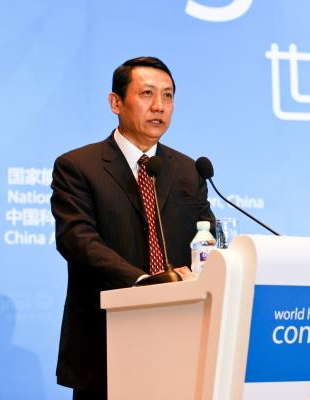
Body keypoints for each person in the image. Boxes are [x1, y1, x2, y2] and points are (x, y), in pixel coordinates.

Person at [50, 56, 215, 399]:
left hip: (181, 338)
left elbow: (207, 238)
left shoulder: (189, 171)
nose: (159, 106)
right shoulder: (78, 166)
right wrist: (143, 282)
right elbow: (77, 239)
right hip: (106, 340)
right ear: (116, 103)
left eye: (168, 96)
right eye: (147, 94)